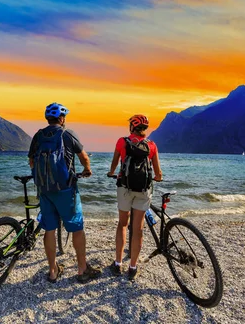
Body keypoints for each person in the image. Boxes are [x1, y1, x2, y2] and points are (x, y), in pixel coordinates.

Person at [28, 102, 102, 284]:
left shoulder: (38, 136)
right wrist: (87, 169)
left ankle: (53, 271)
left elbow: (31, 161)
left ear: (48, 118)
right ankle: (82, 269)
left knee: (49, 229)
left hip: (44, 190)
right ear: (62, 119)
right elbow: (83, 157)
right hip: (65, 190)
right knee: (77, 228)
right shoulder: (67, 133)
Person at [107, 114, 162, 280]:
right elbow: (158, 173)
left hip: (125, 187)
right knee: (138, 229)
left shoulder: (122, 142)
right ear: (145, 129)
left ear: (132, 127)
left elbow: (115, 163)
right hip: (143, 190)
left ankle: (117, 264)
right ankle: (132, 267)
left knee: (123, 224)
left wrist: (111, 173)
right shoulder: (151, 145)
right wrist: (158, 177)